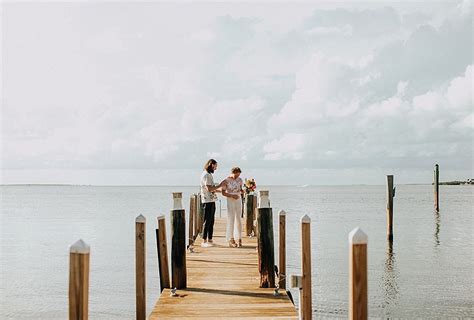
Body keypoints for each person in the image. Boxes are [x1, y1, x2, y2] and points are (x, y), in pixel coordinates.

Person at [200, 159, 222, 247]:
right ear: (211, 165)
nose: (216, 168)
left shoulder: (208, 175)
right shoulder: (206, 175)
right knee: (207, 220)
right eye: (215, 166)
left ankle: (210, 239)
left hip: (211, 200)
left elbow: (212, 188)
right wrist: (220, 185)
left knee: (211, 220)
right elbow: (209, 189)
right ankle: (204, 241)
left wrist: (222, 191)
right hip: (207, 201)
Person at [221, 167, 244, 248]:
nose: (237, 177)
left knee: (238, 218)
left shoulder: (240, 180)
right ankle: (231, 239)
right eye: (236, 175)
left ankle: (239, 238)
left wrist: (243, 191)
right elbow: (223, 193)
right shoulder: (226, 181)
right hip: (230, 200)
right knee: (231, 218)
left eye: (238, 175)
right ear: (232, 173)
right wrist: (232, 195)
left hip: (238, 199)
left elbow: (240, 189)